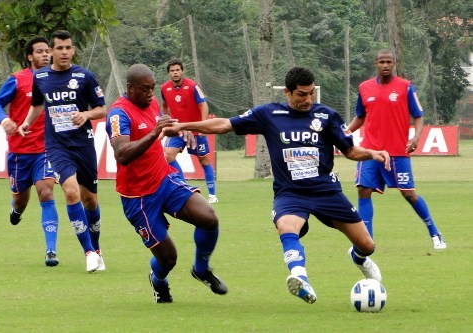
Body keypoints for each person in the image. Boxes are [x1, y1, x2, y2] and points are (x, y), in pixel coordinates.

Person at [163, 67, 390, 304]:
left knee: (367, 244)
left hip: (327, 192)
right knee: (286, 226)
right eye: (302, 94)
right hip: (290, 193)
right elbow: (224, 125)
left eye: (311, 93)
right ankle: (300, 278)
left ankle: (359, 258)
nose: (308, 99)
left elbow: (350, 151)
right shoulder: (269, 114)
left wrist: (373, 154)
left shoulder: (326, 116)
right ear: (288, 93)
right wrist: (182, 126)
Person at [105, 64, 227, 303]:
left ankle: (201, 269)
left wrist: (177, 131)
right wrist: (154, 134)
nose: (151, 93)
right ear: (130, 88)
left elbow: (160, 125)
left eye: (152, 88)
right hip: (137, 198)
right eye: (145, 89)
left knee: (209, 218)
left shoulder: (149, 103)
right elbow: (122, 154)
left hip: (164, 180)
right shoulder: (118, 114)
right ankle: (158, 280)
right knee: (168, 259)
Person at [18, 30, 107, 272]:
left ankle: (97, 248)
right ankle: (88, 252)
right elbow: (37, 104)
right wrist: (27, 121)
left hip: (84, 143)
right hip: (57, 146)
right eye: (59, 48)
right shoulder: (42, 77)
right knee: (70, 192)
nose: (64, 52)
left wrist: (86, 114)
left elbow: (102, 109)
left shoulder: (85, 76)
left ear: (73, 50)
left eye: (68, 47)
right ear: (52, 51)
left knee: (90, 199)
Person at [348, 48, 446, 250]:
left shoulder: (405, 87)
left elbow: (418, 115)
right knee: (363, 191)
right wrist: (346, 131)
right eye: (381, 62)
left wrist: (416, 137)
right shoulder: (365, 88)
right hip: (370, 152)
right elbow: (361, 116)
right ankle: (366, 241)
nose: (385, 65)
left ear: (394, 63)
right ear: (375, 64)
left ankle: (435, 233)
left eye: (389, 62)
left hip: (397, 152)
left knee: (409, 194)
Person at [0, 36, 60, 267]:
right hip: (20, 152)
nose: (45, 55)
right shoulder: (18, 80)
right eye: (39, 51)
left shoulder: (58, 79)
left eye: (47, 51)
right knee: (20, 200)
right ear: (30, 56)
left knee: (46, 193)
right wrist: (5, 120)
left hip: (47, 149)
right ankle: (16, 211)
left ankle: (51, 250)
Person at [160, 59, 219, 204]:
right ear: (169, 73)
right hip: (178, 130)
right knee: (168, 155)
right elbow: (164, 106)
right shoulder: (164, 88)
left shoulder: (193, 86)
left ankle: (212, 195)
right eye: (172, 70)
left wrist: (203, 125)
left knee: (204, 160)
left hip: (195, 130)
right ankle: (185, 187)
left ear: (182, 71)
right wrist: (165, 121)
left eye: (177, 70)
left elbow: (203, 104)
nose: (175, 73)